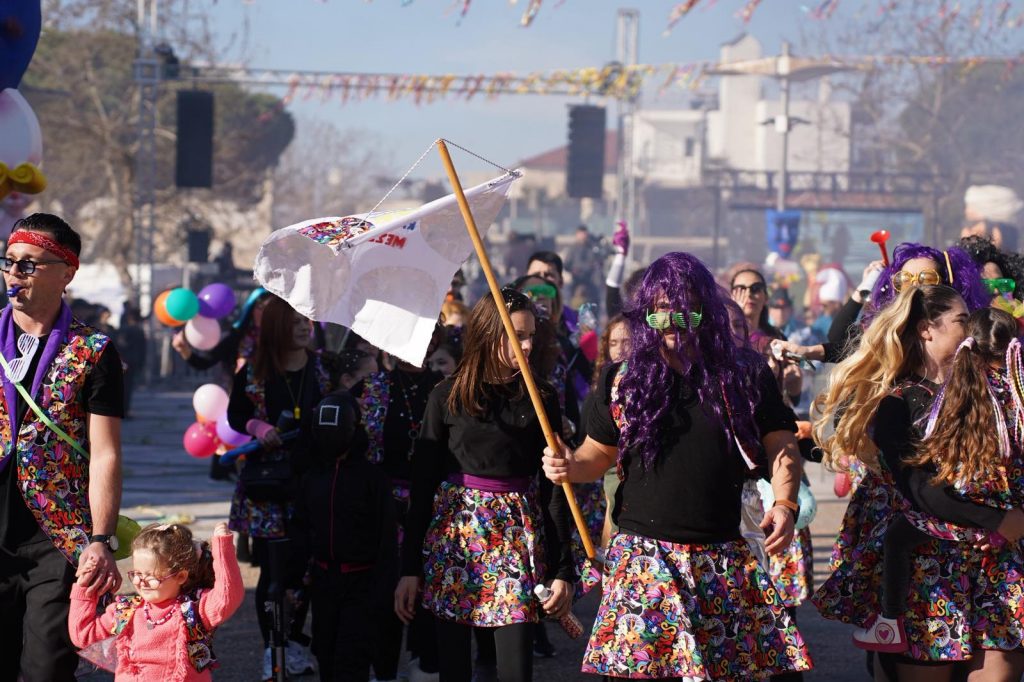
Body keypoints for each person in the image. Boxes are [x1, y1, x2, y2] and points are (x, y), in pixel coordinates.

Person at [543, 252, 811, 679]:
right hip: (644, 556)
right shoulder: (621, 379)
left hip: (720, 554)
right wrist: (568, 465)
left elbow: (780, 442)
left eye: (686, 309)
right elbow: (597, 456)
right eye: (662, 310)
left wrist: (785, 503)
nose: (673, 322)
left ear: (706, 311)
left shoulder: (743, 374)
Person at [811, 287, 1024, 680]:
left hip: (995, 564)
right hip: (929, 569)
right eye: (961, 320)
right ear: (927, 329)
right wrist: (996, 520)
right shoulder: (899, 402)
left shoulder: (994, 392)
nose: (971, 329)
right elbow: (920, 489)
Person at [395, 288, 575, 682]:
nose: (527, 346)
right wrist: (409, 569)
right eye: (517, 336)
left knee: (515, 669)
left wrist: (563, 569)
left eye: (531, 336)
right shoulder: (446, 395)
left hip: (516, 538)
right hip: (455, 540)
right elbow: (422, 487)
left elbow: (554, 489)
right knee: (454, 669)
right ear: (489, 333)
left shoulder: (541, 396)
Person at [0, 213, 125, 681]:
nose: (14, 273)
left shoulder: (93, 350)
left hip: (56, 537)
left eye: (30, 264)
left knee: (46, 669)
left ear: (67, 272)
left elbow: (106, 452)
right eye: (9, 261)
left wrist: (101, 540)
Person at [226, 297, 332, 680]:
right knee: (273, 574)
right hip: (268, 487)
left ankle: (297, 642)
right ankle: (273, 649)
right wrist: (260, 428)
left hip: (313, 481)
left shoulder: (323, 367)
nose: (304, 327)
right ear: (276, 326)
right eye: (295, 321)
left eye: (307, 320)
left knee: (307, 569)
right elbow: (236, 414)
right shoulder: (255, 370)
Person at [355, 326, 445, 682]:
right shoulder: (372, 387)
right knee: (385, 592)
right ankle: (385, 670)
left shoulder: (447, 387)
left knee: (431, 589)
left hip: (436, 504)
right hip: (384, 507)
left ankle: (426, 665)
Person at [292, 391, 398, 682]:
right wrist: (293, 579)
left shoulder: (372, 480)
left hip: (362, 583)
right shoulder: (312, 477)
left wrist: (384, 589)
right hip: (324, 581)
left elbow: (387, 539)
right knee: (325, 653)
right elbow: (301, 529)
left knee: (352, 659)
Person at [69, 521, 244, 680]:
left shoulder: (194, 609)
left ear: (181, 576)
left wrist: (223, 549)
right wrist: (84, 587)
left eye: (152, 576)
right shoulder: (125, 610)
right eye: (137, 573)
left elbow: (227, 597)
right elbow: (82, 635)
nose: (141, 582)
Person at [117, 305, 147, 418]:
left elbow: (120, 344)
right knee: (127, 387)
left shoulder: (125, 329)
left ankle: (124, 410)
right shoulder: (139, 330)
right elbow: (143, 349)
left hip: (125, 361)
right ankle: (125, 410)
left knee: (124, 387)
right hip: (133, 361)